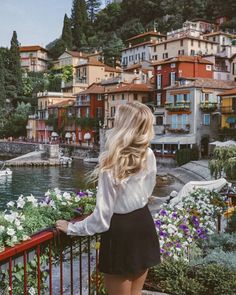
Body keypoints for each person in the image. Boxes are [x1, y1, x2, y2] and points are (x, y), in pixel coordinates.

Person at [55, 101, 161, 295]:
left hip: (120, 233)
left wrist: (71, 228)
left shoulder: (110, 161)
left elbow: (102, 219)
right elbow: (148, 189)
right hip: (143, 224)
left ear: (123, 126)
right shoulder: (148, 154)